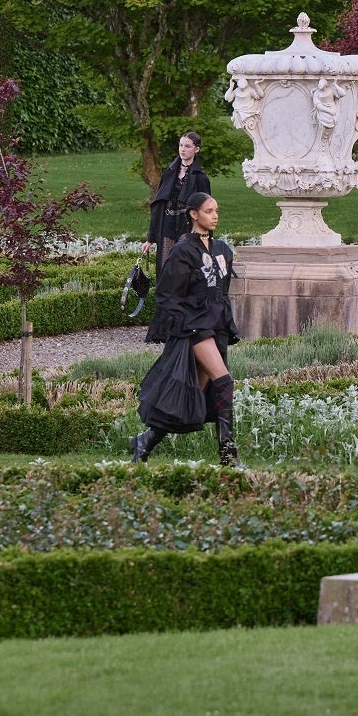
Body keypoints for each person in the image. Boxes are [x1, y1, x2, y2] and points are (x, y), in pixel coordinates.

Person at [130, 193, 241, 466]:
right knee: (224, 382)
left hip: (217, 326)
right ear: (193, 214)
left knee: (191, 394)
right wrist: (188, 324)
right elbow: (166, 296)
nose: (215, 215)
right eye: (208, 211)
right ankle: (229, 456)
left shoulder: (222, 250)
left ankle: (145, 440)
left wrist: (226, 323)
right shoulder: (183, 251)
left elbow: (221, 292)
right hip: (195, 328)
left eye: (216, 210)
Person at [142, 132, 212, 342]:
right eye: (181, 145)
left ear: (196, 149)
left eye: (188, 146)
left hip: (187, 229)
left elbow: (208, 211)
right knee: (165, 273)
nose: (183, 149)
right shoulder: (169, 173)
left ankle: (183, 326)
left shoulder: (201, 178)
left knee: (183, 274)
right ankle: (161, 329)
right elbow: (158, 206)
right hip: (166, 227)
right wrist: (150, 238)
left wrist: (206, 239)